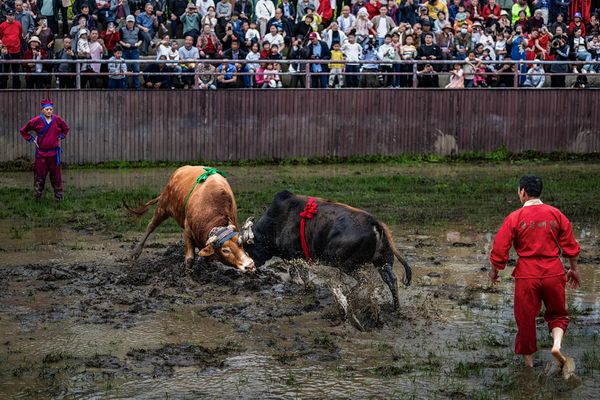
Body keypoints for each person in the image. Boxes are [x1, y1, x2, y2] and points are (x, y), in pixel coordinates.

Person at [489, 175, 581, 375]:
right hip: (554, 272)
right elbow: (570, 245)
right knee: (557, 314)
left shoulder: (514, 218)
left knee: (525, 320)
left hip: (527, 275)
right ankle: (556, 345)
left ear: (522, 192)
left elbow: (500, 248)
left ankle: (529, 366)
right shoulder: (556, 214)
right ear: (540, 192)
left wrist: (495, 270)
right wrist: (573, 268)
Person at [19, 99, 70, 201]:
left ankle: (59, 198)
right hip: (41, 154)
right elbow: (23, 131)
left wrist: (61, 136)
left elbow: (66, 128)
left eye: (51, 109)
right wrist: (32, 139)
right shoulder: (36, 121)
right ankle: (37, 198)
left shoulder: (57, 119)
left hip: (54, 154)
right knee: (39, 176)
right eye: (47, 109)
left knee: (56, 177)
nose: (49, 111)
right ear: (42, 110)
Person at [0, 9, 22, 89]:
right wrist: (2, 48)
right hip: (5, 51)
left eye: (13, 15)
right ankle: (3, 89)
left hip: (16, 50)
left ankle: (16, 89)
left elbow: (19, 36)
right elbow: (0, 37)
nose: (12, 17)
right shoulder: (2, 25)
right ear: (6, 16)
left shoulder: (18, 24)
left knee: (16, 71)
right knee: (4, 71)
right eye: (10, 15)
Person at [119, 14, 142, 89]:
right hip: (125, 51)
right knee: (125, 69)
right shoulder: (122, 29)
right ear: (126, 22)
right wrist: (124, 44)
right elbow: (119, 40)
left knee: (136, 69)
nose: (130, 23)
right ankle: (124, 87)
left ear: (134, 22)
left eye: (131, 22)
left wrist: (138, 44)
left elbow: (141, 39)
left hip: (135, 51)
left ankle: (137, 87)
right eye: (129, 22)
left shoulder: (137, 29)